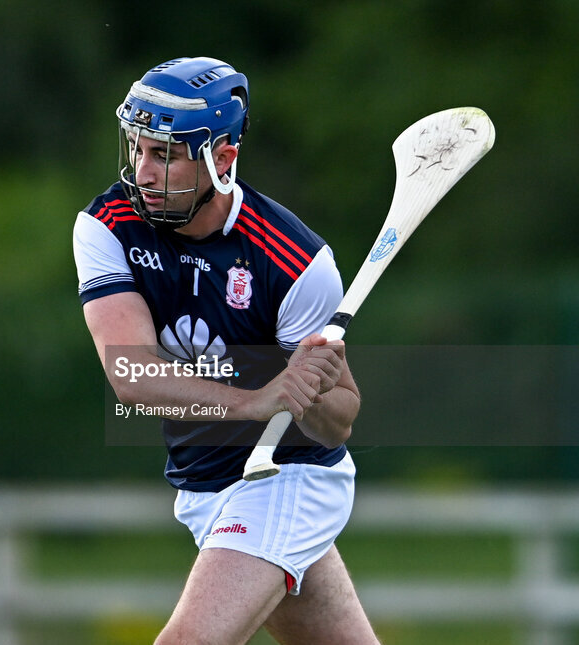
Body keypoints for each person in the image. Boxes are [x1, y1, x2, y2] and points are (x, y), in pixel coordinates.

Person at [73, 56, 380, 644]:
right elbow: (131, 376)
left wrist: (310, 395)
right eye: (138, 149)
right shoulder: (109, 225)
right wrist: (255, 400)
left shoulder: (295, 261)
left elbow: (339, 422)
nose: (143, 171)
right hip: (205, 486)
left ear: (222, 159)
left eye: (165, 154)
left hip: (287, 476)